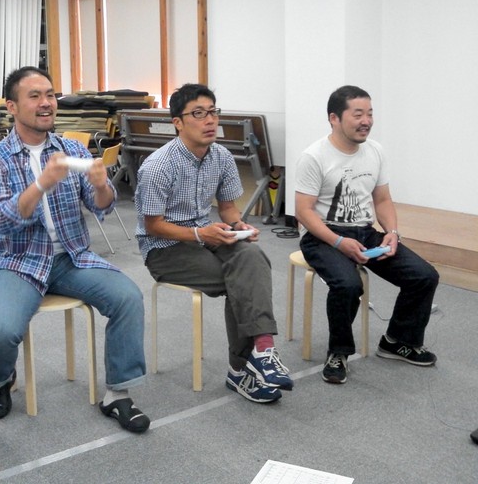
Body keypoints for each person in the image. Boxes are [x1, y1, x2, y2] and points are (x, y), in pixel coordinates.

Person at [0, 66, 150, 433]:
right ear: (12, 106)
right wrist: (40, 184)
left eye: (50, 95)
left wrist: (101, 185)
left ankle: (118, 393)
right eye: (35, 96)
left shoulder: (72, 148)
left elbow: (102, 206)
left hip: (72, 257)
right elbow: (1, 219)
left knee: (128, 298)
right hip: (18, 261)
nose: (46, 103)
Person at [135, 83, 293, 404]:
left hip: (208, 235)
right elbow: (153, 226)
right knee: (241, 280)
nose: (209, 120)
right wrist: (199, 234)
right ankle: (241, 370)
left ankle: (263, 351)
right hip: (164, 249)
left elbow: (228, 209)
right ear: (178, 122)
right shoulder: (157, 166)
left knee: (251, 255)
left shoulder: (221, 156)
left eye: (212, 112)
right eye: (198, 113)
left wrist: (239, 226)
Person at [295, 85, 439, 384]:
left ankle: (397, 341)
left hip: (364, 231)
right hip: (323, 235)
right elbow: (304, 212)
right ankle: (338, 352)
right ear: (334, 118)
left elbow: (382, 200)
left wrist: (392, 233)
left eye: (370, 114)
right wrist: (338, 242)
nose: (366, 121)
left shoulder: (375, 151)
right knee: (348, 285)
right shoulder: (314, 156)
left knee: (424, 276)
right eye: (358, 114)